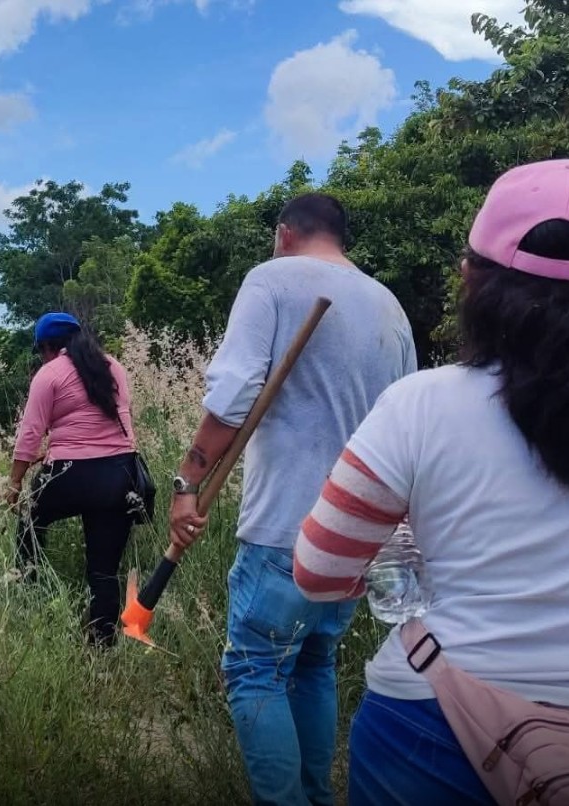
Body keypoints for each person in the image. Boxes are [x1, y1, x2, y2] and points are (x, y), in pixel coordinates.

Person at [291, 159, 569, 804]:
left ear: (472, 277)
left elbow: (319, 573)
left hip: (432, 723)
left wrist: (411, 540)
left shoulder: (419, 405)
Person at [169, 193, 417, 806]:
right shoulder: (390, 307)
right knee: (313, 664)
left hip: (287, 527)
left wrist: (187, 482)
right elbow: (408, 418)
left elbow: (232, 394)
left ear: (284, 234)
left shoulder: (272, 281)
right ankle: (315, 797)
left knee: (255, 668)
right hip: (361, 533)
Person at [7, 312, 140, 648]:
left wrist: (14, 484)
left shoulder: (49, 373)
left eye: (40, 350)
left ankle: (29, 591)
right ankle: (102, 644)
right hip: (119, 474)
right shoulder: (113, 367)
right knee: (103, 568)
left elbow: (30, 432)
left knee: (28, 521)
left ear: (49, 347)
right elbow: (113, 422)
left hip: (70, 475)